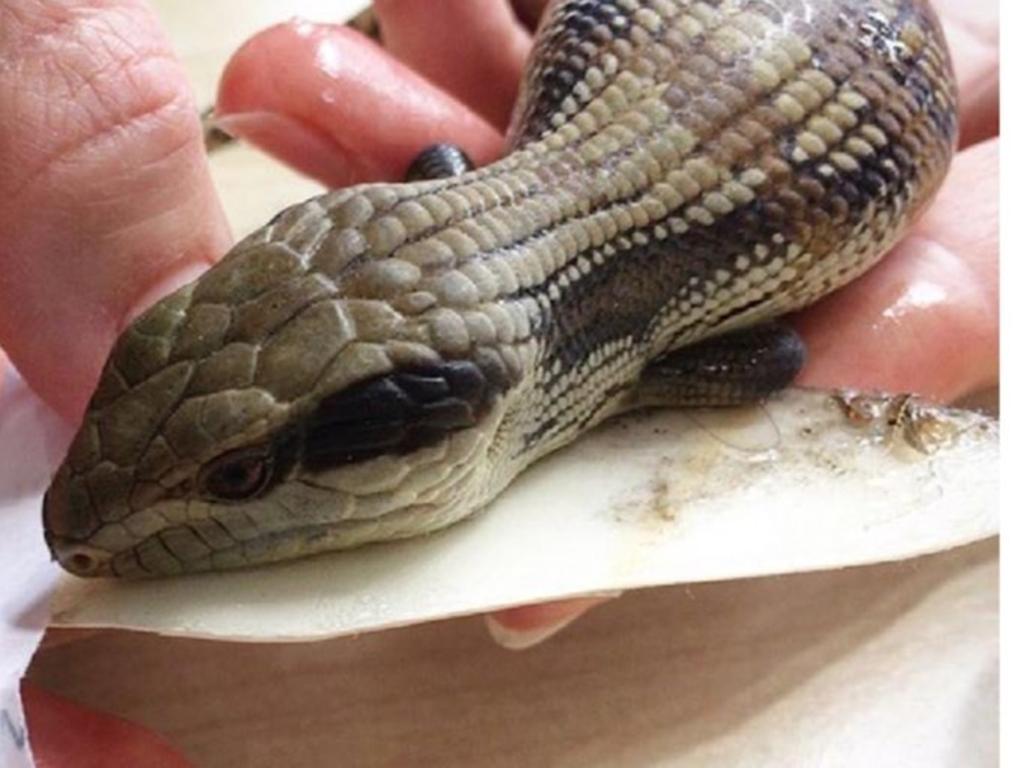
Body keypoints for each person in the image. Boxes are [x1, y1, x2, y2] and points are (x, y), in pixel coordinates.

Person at [0, 0, 998, 763]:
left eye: (242, 479)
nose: (99, 534)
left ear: (460, 407)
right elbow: (443, 169)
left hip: (872, 80)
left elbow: (770, 360)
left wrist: (615, 388)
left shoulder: (549, 331)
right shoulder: (474, 252)